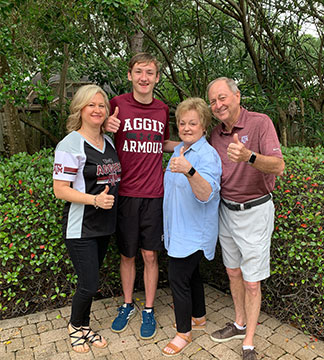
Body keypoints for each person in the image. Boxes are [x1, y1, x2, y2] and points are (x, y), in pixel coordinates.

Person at [207, 77, 285, 360]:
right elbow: (194, 146)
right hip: (225, 211)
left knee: (253, 282)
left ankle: (249, 341)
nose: (218, 104)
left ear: (237, 96)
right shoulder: (215, 134)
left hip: (255, 211)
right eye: (213, 101)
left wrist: (249, 156)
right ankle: (239, 324)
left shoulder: (260, 122)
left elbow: (279, 166)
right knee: (233, 272)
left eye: (223, 97)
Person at [105, 53, 178, 339]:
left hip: (154, 195)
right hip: (125, 194)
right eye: (139, 72)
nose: (144, 77)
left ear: (157, 77)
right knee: (127, 254)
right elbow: (96, 131)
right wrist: (104, 127)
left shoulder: (162, 110)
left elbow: (163, 144)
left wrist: (192, 140)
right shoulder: (117, 104)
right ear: (130, 75)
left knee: (149, 254)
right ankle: (127, 304)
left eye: (150, 72)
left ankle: (148, 308)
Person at [53, 84, 121, 353]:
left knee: (90, 281)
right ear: (80, 109)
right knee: (89, 283)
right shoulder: (70, 143)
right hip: (80, 227)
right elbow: (60, 190)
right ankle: (74, 326)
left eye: (101, 105)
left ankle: (84, 326)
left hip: (104, 225)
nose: (96, 109)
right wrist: (94, 200)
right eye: (90, 104)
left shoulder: (109, 142)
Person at [162, 98, 222, 356]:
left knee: (178, 279)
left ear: (204, 125)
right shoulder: (180, 150)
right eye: (182, 123)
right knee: (192, 274)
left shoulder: (207, 155)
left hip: (193, 232)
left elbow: (206, 194)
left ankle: (183, 332)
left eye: (193, 123)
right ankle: (198, 317)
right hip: (179, 228)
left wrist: (190, 171)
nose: (186, 127)